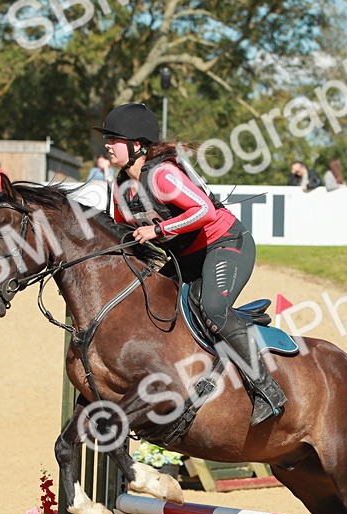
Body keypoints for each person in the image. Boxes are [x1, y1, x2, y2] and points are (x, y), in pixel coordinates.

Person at [95, 102, 286, 426]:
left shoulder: (163, 175)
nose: (107, 145)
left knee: (212, 309)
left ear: (136, 145)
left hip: (225, 245)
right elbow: (121, 233)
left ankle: (269, 390)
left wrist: (157, 229)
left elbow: (205, 212)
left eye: (114, 139)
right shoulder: (120, 187)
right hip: (185, 257)